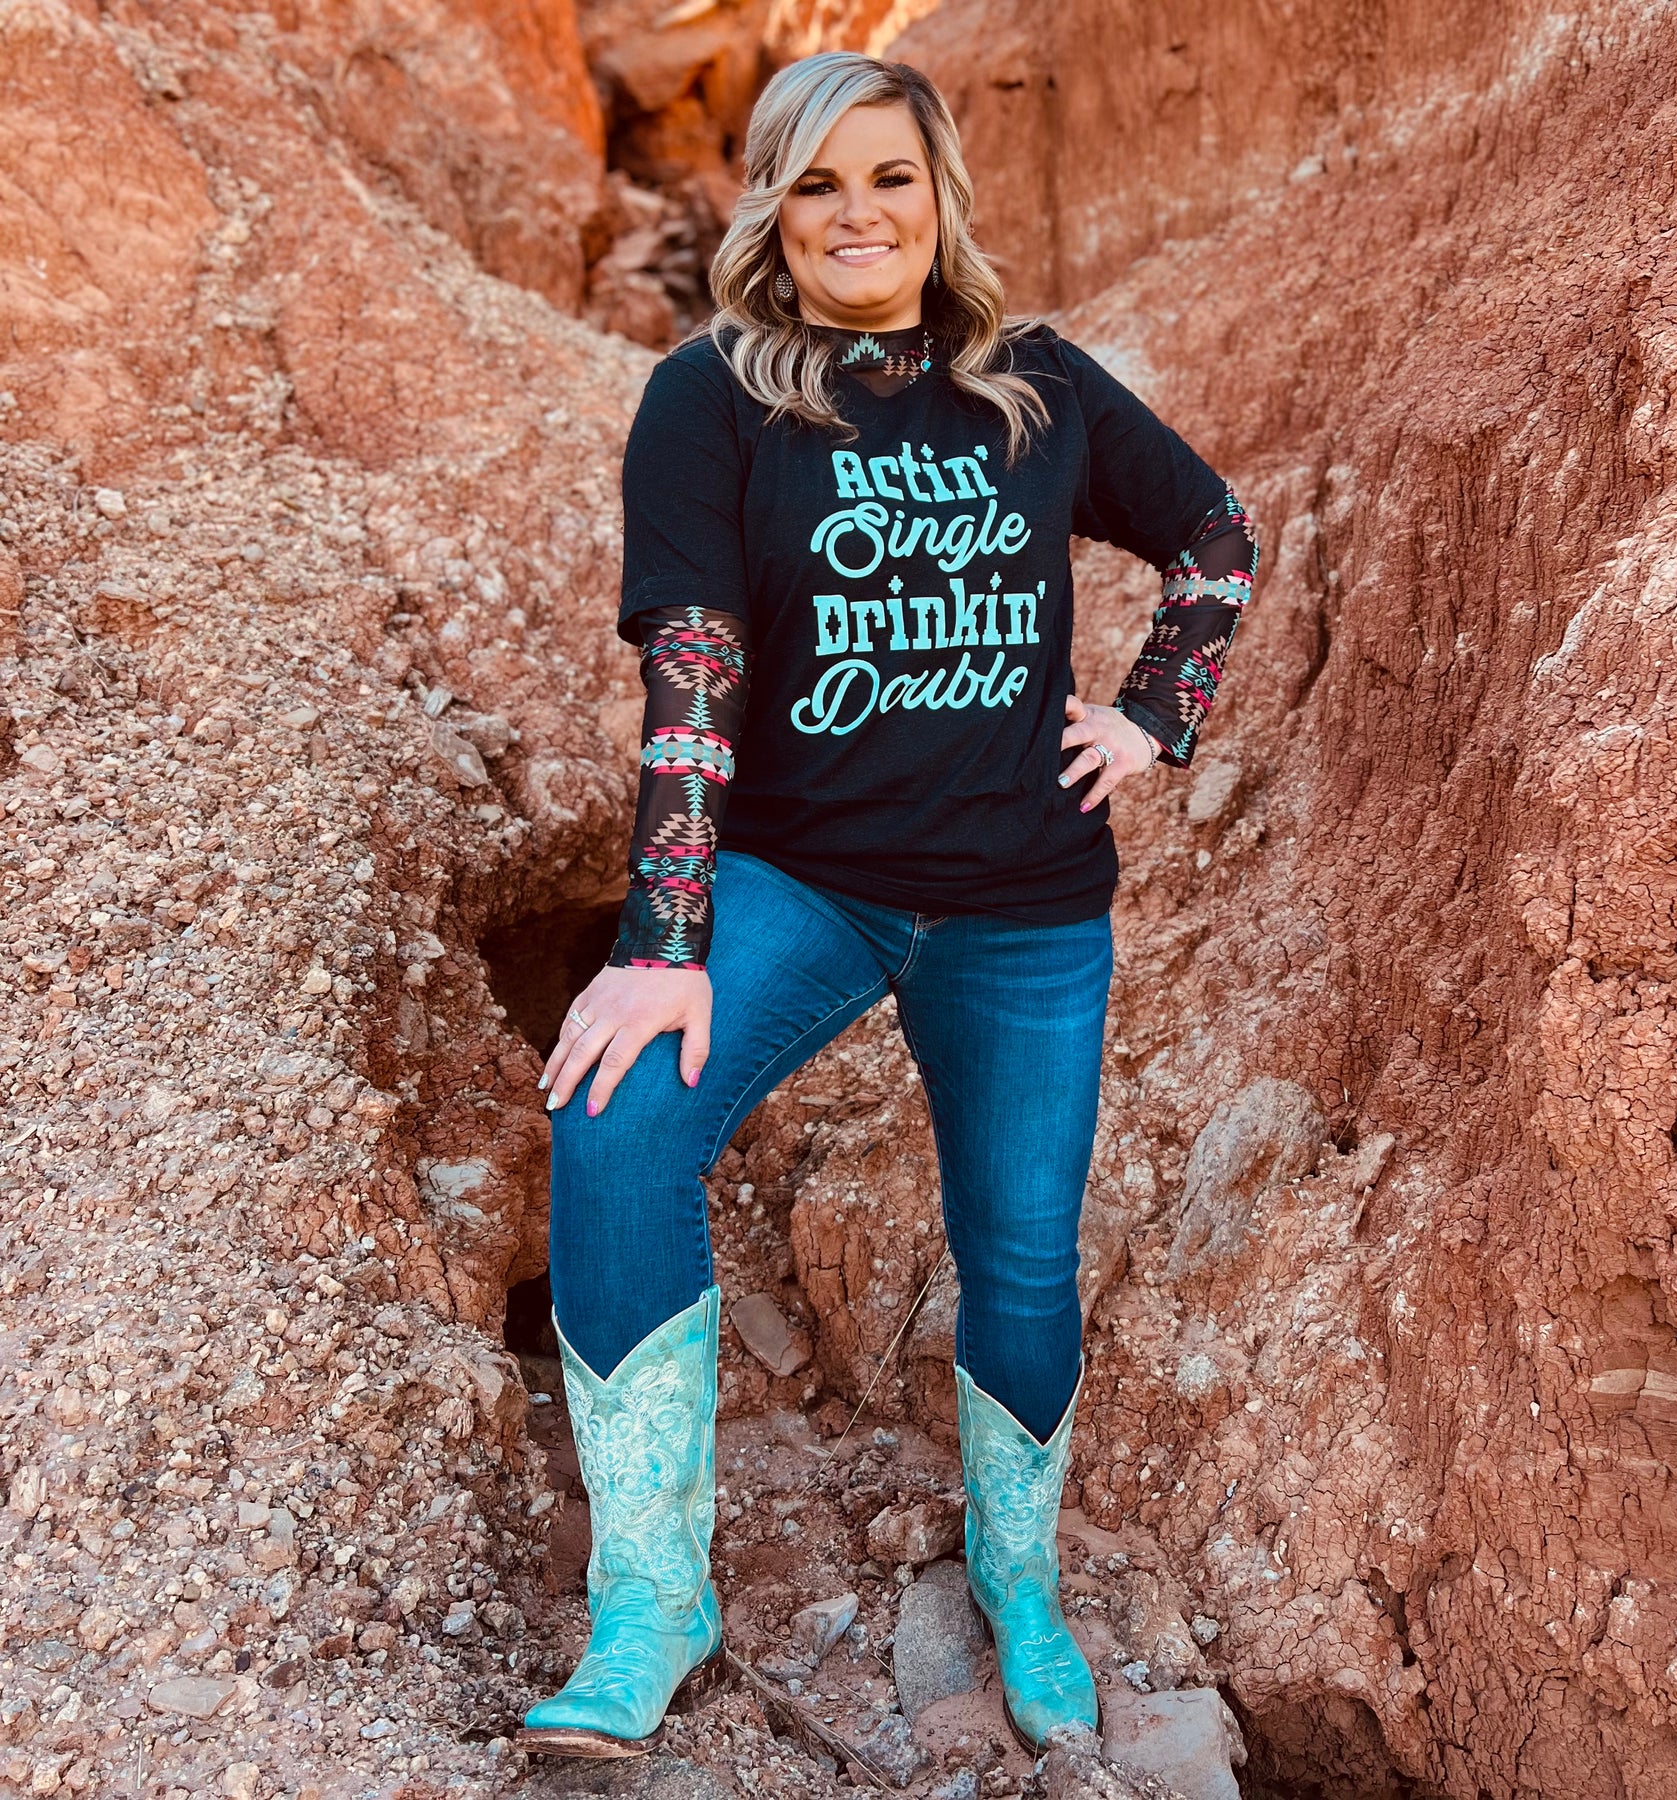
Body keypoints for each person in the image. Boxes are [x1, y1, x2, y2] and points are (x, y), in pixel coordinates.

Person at [516, 50, 1258, 1760]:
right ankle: (652, 1602)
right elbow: (696, 670)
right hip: (808, 884)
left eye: (891, 179)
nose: (859, 214)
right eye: (819, 182)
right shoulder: (710, 399)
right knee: (616, 1120)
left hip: (1026, 908)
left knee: (1022, 1251)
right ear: (773, 208)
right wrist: (663, 942)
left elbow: (1215, 536)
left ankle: (1020, 1578)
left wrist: (1155, 718)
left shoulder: (1040, 386)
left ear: (941, 199)